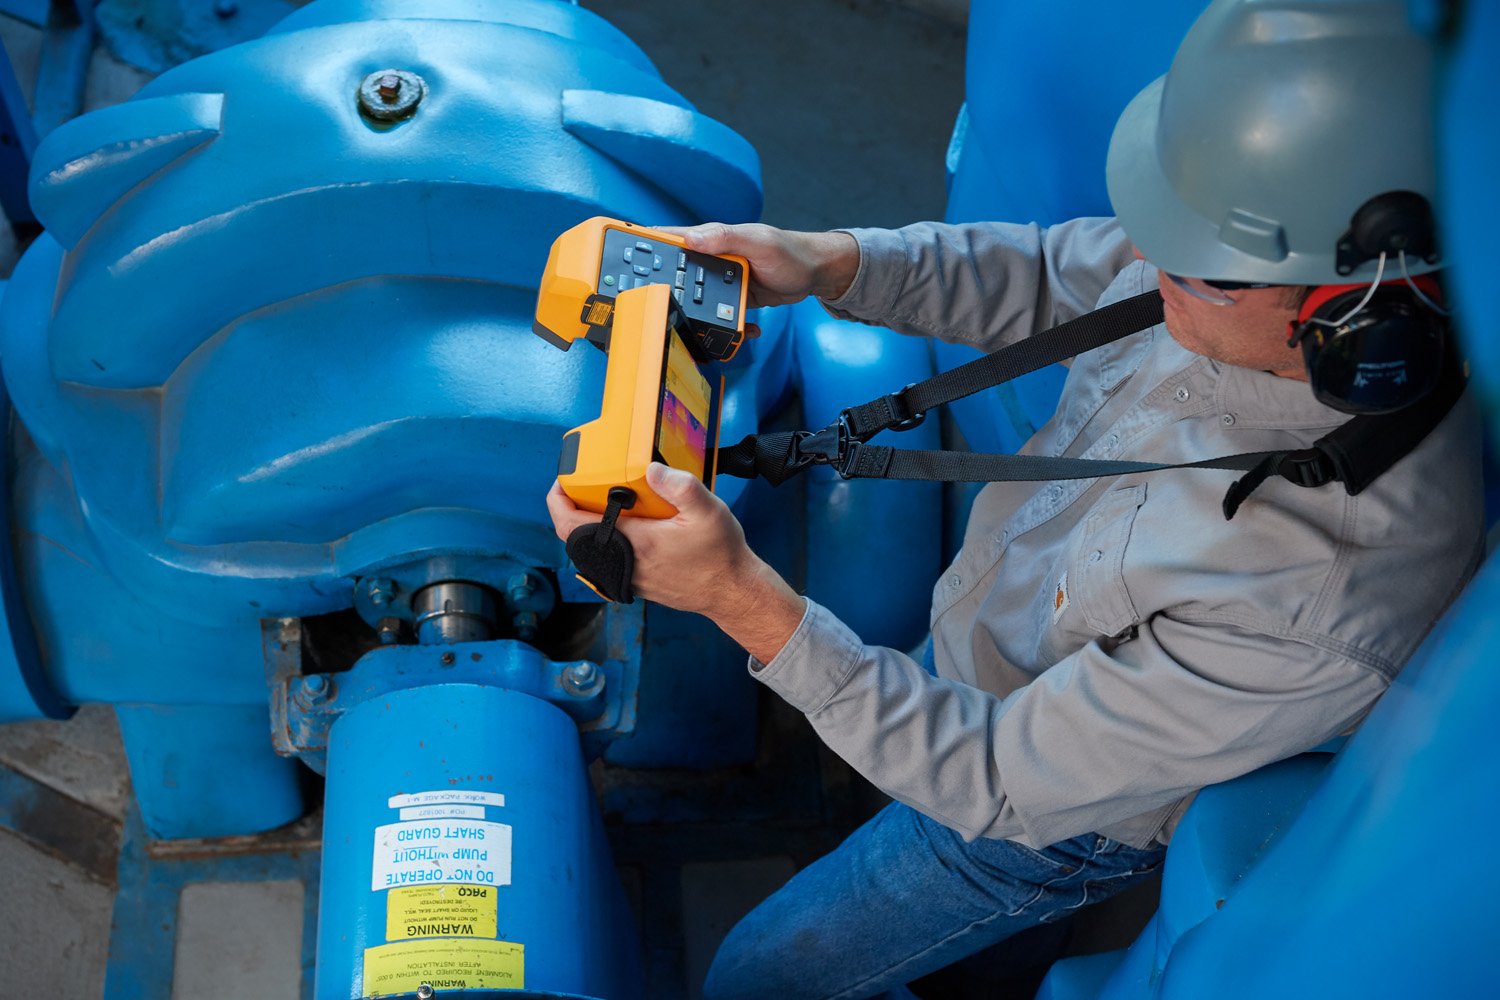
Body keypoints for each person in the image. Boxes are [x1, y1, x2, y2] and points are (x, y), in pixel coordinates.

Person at [547, 1, 1484, 997]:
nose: (1149, 261)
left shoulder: (1321, 590)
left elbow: (994, 775)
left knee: (757, 976)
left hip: (1038, 817)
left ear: (1353, 320)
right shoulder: (1226, 263)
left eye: (1191, 266)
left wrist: (736, 593)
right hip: (981, 645)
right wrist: (829, 262)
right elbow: (1041, 276)